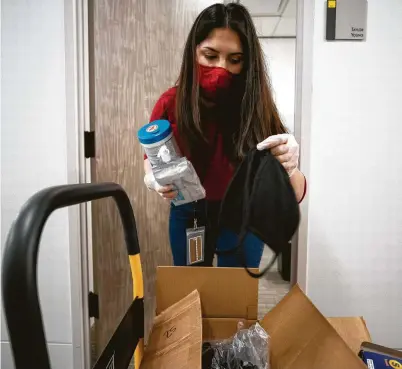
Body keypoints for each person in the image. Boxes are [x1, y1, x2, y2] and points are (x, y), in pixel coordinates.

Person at [143, 3, 306, 268]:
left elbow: (296, 194)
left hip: (243, 213)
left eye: (235, 60)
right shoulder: (170, 104)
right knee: (191, 295)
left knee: (236, 298)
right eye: (210, 55)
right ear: (193, 51)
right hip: (190, 212)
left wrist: (290, 168)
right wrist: (152, 178)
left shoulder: (257, 108)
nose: (221, 69)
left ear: (247, 62)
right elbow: (150, 156)